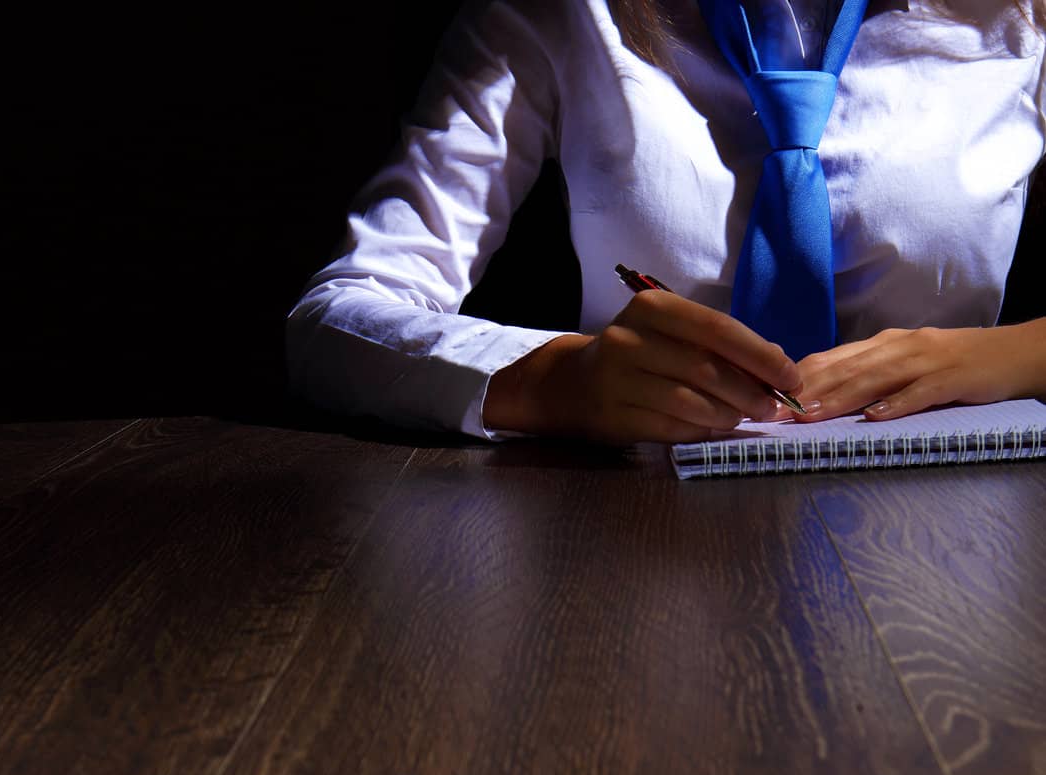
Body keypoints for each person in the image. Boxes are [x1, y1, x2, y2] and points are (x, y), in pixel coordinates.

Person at [284, 0, 1046, 445]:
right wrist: (554, 381)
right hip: (638, 538)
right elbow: (332, 322)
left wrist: (1018, 355)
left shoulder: (1021, 21)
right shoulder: (562, 18)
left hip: (950, 539)